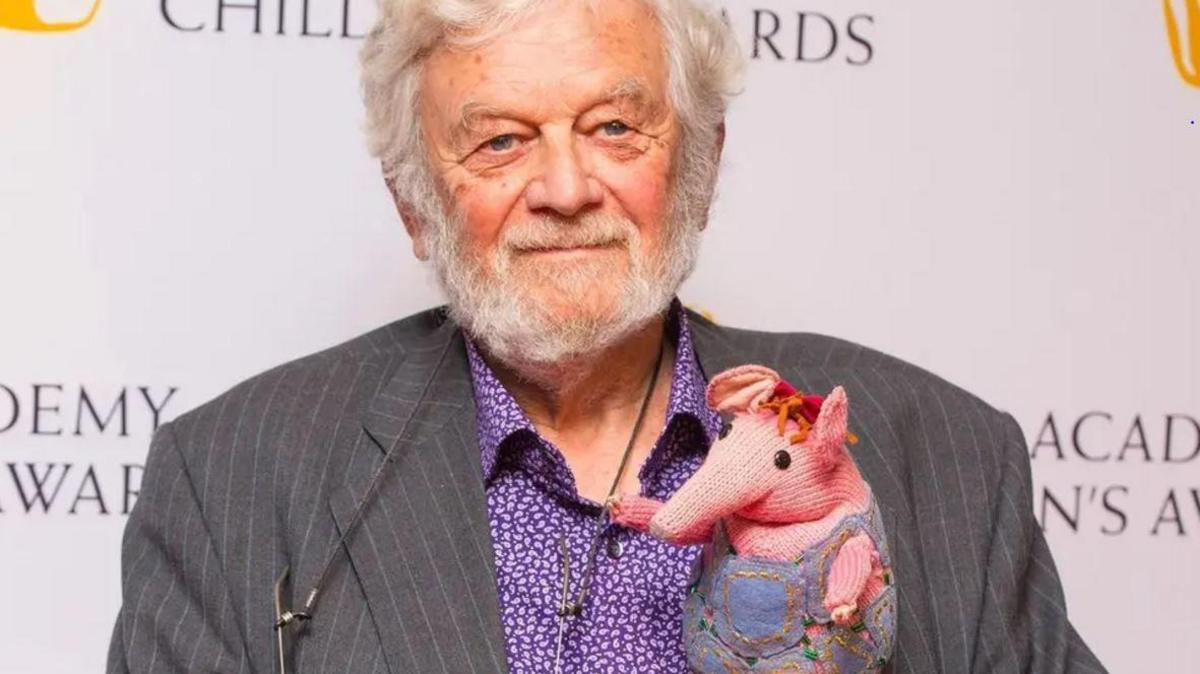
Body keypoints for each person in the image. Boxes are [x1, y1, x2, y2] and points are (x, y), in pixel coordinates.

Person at [106, 0, 1106, 672]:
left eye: (615, 128)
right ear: (415, 203)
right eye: (499, 140)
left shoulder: (945, 455)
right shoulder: (230, 475)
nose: (567, 188)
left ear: (702, 165)